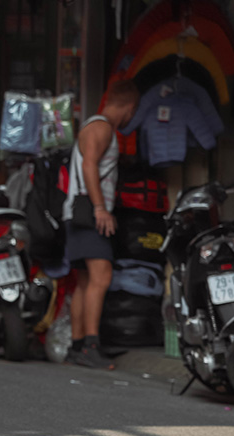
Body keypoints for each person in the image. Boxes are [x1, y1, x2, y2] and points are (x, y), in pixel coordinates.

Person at [62, 80, 139, 369]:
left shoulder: (95, 126)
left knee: (84, 281)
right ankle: (90, 345)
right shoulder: (102, 127)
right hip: (89, 213)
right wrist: (100, 208)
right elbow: (89, 165)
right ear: (129, 107)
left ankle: (78, 345)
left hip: (78, 213)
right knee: (100, 277)